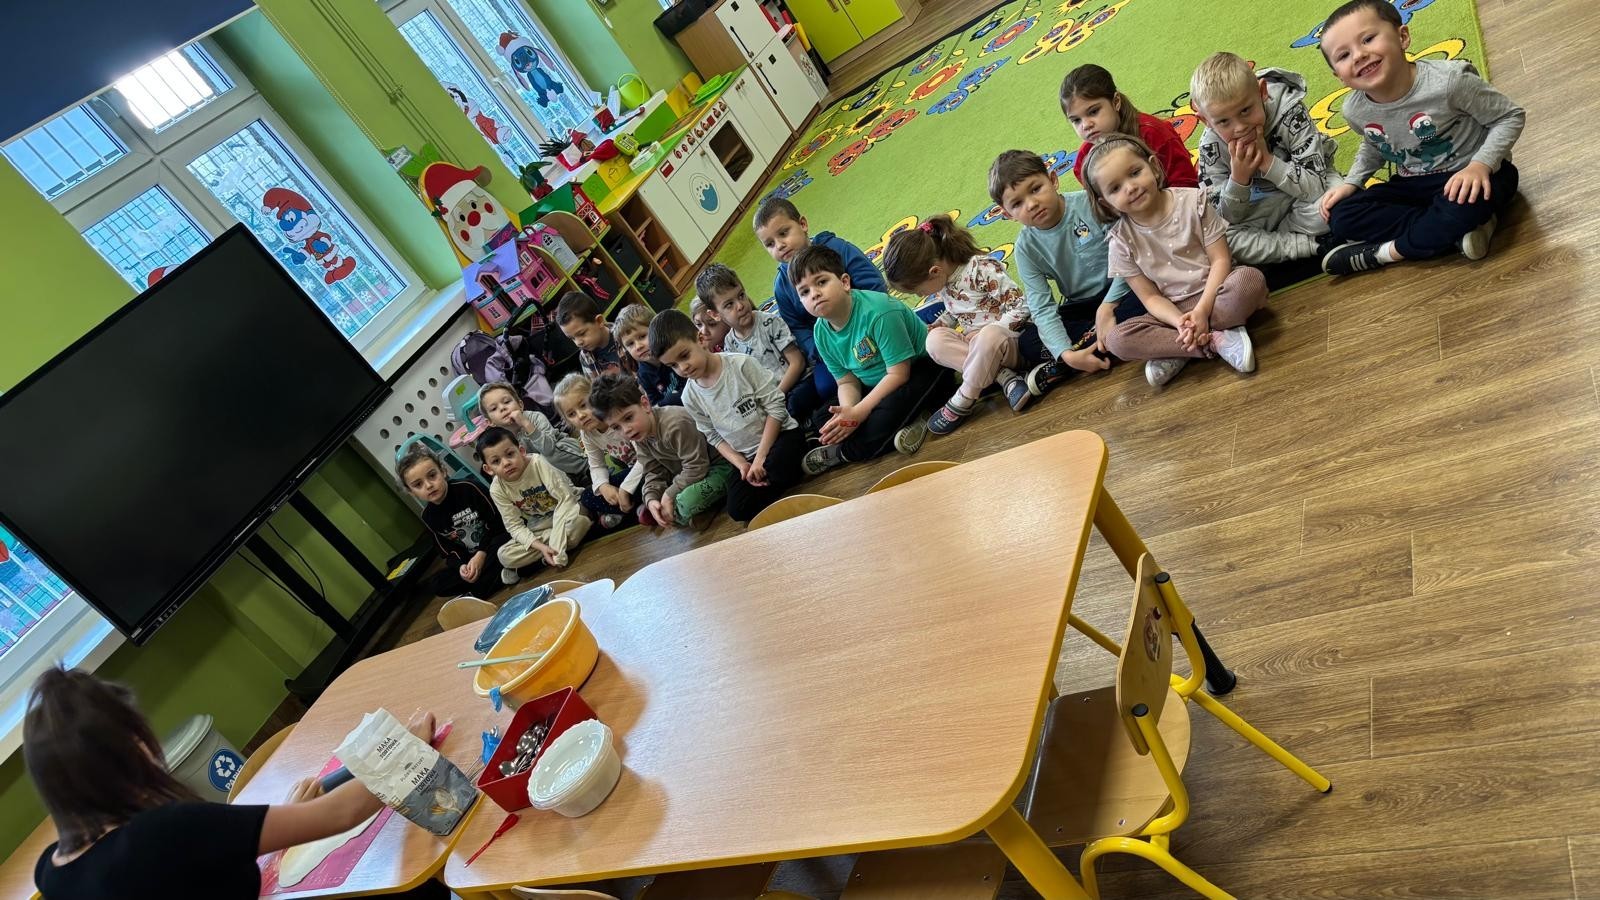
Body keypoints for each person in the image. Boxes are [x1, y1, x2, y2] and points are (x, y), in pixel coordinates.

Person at [26, 666, 440, 900]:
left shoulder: (51, 872)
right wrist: (405, 749)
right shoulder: (163, 830)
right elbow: (342, 812)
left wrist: (286, 820)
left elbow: (189, 869)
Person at [1316, 0, 1525, 275]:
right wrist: (1352, 182)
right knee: (1341, 216)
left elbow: (1510, 116)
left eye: (1368, 39)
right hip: (1413, 184)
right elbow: (1374, 145)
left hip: (1475, 175)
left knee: (1463, 205)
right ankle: (1455, 230)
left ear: (1402, 37)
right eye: (1344, 55)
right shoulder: (1355, 109)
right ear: (1339, 77)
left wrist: (1480, 165)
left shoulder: (1450, 81)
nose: (1359, 55)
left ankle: (1385, 253)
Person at [1083, 133, 1268, 387]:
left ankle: (1180, 347)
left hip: (1217, 293)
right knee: (1117, 340)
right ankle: (1208, 341)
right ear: (1106, 203)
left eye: (1135, 173)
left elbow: (1221, 261)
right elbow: (1150, 298)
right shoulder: (1120, 242)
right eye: (1115, 188)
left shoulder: (1194, 201)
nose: (1130, 187)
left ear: (1153, 166)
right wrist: (1180, 323)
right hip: (1173, 313)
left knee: (1250, 280)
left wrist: (1202, 311)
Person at [882, 214, 1090, 435]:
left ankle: (965, 396)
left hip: (1012, 342)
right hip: (981, 349)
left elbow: (1022, 307)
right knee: (934, 341)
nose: (921, 296)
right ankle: (1006, 378)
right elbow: (957, 309)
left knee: (988, 336)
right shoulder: (944, 282)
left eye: (919, 291)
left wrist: (990, 331)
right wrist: (941, 323)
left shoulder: (981, 268)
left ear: (935, 271)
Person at [990, 149, 1145, 393]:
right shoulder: (1025, 248)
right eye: (1017, 203)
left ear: (1053, 179)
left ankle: (1088, 352)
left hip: (1124, 289)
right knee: (1028, 343)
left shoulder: (1090, 204)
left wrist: (1108, 307)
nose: (1031, 204)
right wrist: (1065, 353)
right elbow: (1041, 306)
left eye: (1035, 189)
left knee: (1149, 294)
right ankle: (1091, 351)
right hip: (1082, 306)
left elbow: (1131, 257)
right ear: (1008, 214)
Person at [789, 245, 951, 475]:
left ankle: (843, 453)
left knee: (877, 423)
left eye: (821, 282)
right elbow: (847, 381)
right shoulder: (820, 332)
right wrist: (848, 412)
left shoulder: (880, 312)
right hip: (876, 382)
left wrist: (860, 412)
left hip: (920, 368)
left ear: (845, 282)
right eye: (804, 292)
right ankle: (918, 418)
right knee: (823, 417)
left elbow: (899, 374)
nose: (814, 294)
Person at [649, 309, 806, 524]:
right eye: (673, 365)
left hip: (781, 436)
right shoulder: (690, 397)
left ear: (700, 339)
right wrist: (741, 464)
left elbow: (776, 409)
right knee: (737, 509)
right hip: (747, 457)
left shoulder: (742, 364)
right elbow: (713, 437)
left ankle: (791, 466)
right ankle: (783, 475)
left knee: (778, 464)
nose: (682, 368)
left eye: (684, 356)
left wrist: (760, 458)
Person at [1190, 52, 1341, 264]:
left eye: (1245, 110)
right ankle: (1314, 245)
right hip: (1259, 207)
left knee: (1338, 205)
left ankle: (1278, 242)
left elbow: (1315, 187)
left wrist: (1268, 162)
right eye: (1224, 122)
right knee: (1222, 240)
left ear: (1262, 91)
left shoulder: (1290, 111)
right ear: (1205, 121)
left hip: (1305, 194)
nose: (1240, 127)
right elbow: (1226, 217)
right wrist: (1238, 180)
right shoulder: (1210, 147)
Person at [753, 196, 886, 402]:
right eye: (770, 244)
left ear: (803, 224)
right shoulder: (782, 286)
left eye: (784, 233)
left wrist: (865, 328)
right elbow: (797, 327)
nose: (779, 245)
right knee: (826, 387)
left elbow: (873, 285)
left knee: (881, 359)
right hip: (831, 348)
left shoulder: (837, 249)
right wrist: (822, 350)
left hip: (870, 328)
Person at [587, 373, 736, 529]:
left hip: (718, 468)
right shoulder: (640, 436)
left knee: (685, 502)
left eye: (628, 418)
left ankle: (698, 509)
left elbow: (697, 466)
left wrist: (668, 495)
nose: (626, 430)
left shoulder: (675, 424)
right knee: (656, 500)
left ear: (645, 404)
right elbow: (653, 471)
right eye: (616, 427)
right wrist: (651, 499)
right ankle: (691, 511)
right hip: (689, 475)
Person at [696, 262, 817, 428]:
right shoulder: (729, 345)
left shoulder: (769, 322)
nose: (740, 305)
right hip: (769, 398)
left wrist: (776, 396)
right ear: (715, 314)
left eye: (741, 295)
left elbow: (798, 363)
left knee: (794, 404)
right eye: (729, 304)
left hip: (798, 383)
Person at [477, 426, 591, 581]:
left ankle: (540, 561)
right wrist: (540, 546)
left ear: (521, 451)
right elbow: (514, 526)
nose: (506, 463)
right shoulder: (497, 488)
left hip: (569, 510)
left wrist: (556, 539)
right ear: (488, 469)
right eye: (496, 461)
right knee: (504, 555)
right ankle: (550, 552)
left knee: (578, 523)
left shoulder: (538, 463)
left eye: (510, 454)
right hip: (541, 526)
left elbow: (565, 499)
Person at [1062, 64, 1199, 190]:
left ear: (1116, 102)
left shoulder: (1154, 133)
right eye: (1076, 120)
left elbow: (1187, 185)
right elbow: (1102, 204)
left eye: (1093, 112)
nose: (1086, 125)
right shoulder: (1083, 162)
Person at [396, 445, 508, 596]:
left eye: (432, 475)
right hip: (471, 558)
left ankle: (482, 585)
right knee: (437, 584)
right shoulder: (428, 517)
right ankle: (492, 578)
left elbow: (498, 523)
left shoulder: (469, 488)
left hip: (495, 543)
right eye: (418, 484)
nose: (428, 485)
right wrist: (462, 566)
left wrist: (481, 554)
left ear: (443, 471)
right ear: (411, 492)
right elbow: (448, 551)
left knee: (504, 550)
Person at [552, 373, 648, 528]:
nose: (580, 415)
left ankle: (636, 509)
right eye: (571, 414)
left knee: (643, 480)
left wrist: (625, 489)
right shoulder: (587, 434)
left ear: (595, 397)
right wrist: (604, 486)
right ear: (567, 421)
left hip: (650, 466)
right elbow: (596, 465)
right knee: (587, 497)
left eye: (583, 405)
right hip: (630, 474)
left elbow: (646, 457)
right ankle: (639, 508)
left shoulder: (615, 417)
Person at [477, 381, 588, 480]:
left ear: (520, 405)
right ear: (490, 422)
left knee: (549, 456)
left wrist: (525, 423)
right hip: (547, 471)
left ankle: (587, 468)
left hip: (563, 452)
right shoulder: (501, 439)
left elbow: (549, 449)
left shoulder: (535, 418)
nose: (502, 408)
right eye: (494, 408)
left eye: (506, 402)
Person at [611, 303, 683, 407]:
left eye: (642, 336)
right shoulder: (643, 374)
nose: (638, 346)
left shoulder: (673, 351)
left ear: (656, 328)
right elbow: (655, 403)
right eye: (630, 344)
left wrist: (668, 401)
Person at [554, 291, 625, 378]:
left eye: (582, 333)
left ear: (599, 321)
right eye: (572, 338)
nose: (578, 343)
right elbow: (594, 384)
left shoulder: (624, 336)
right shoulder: (585, 357)